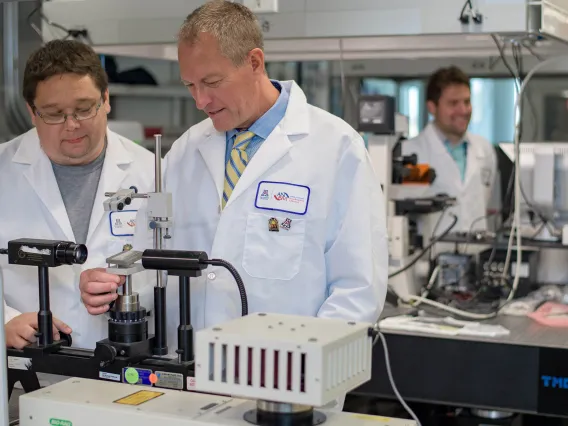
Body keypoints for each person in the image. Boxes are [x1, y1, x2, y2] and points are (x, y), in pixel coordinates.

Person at [80, 0, 387, 358]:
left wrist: (309, 366)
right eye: (190, 85)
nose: (200, 100)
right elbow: (147, 256)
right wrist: (110, 283)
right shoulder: (186, 150)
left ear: (254, 62)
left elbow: (358, 288)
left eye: (211, 82)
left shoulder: (336, 148)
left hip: (286, 377)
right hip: (187, 370)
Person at [1, 39, 155, 351]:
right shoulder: (3, 171)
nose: (72, 125)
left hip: (126, 368)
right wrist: (5, 320)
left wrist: (122, 287)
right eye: (54, 114)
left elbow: (179, 273)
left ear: (106, 99)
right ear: (32, 111)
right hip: (27, 370)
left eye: (84, 109)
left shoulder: (153, 174)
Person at [402, 66, 498, 234]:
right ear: (432, 107)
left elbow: (487, 202)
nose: (463, 110)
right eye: (454, 103)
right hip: (431, 254)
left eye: (467, 102)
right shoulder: (413, 153)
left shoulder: (484, 149)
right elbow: (411, 205)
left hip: (477, 252)